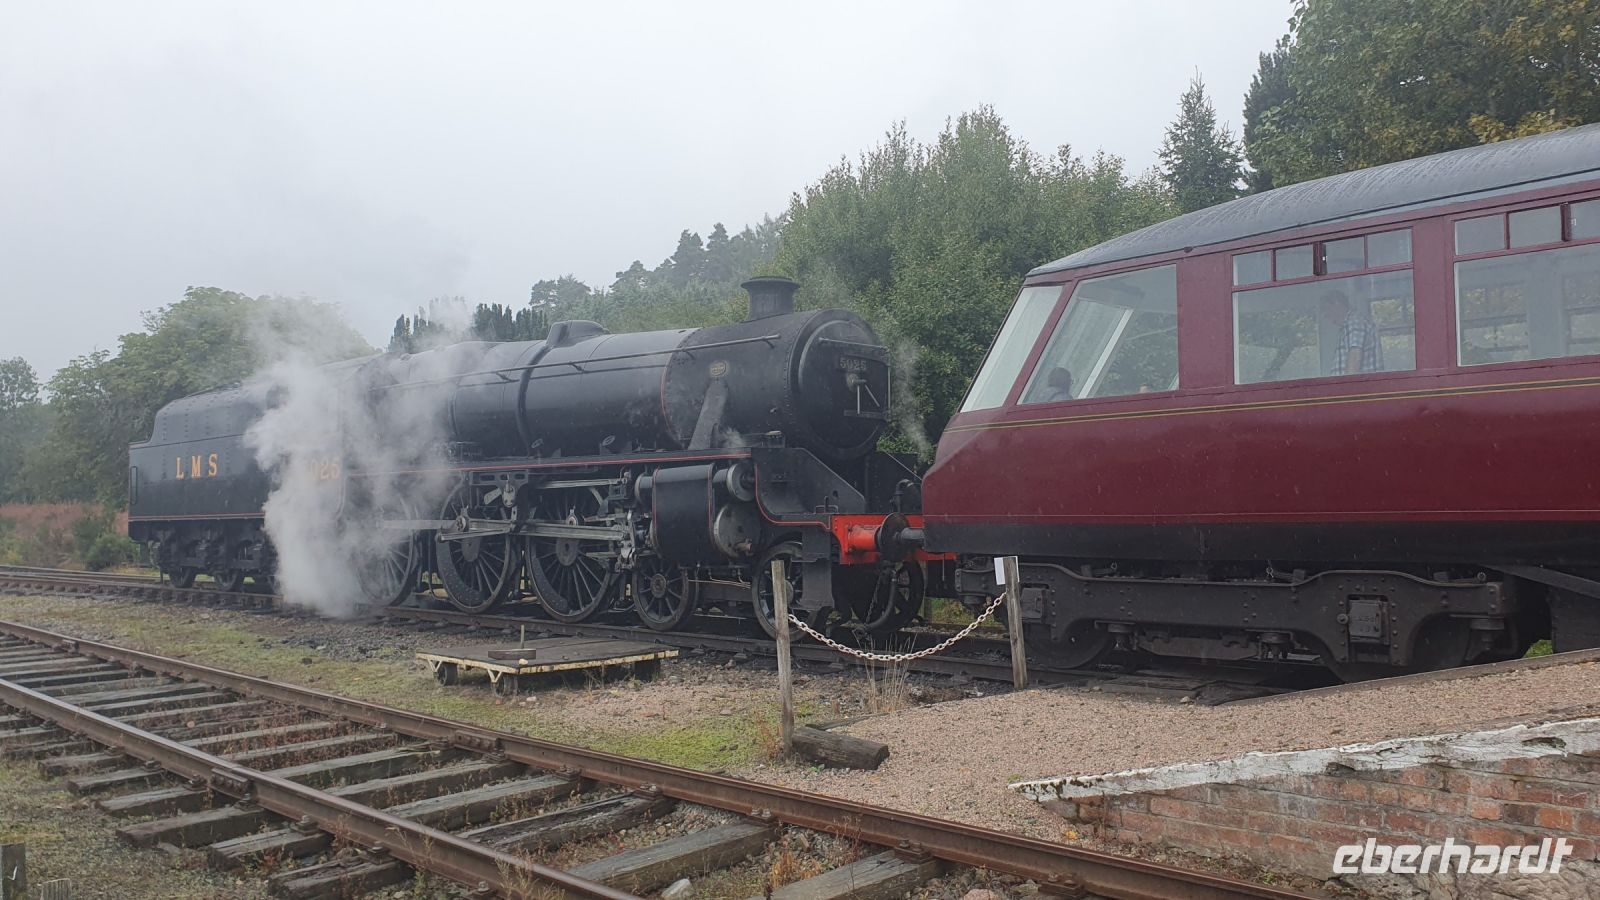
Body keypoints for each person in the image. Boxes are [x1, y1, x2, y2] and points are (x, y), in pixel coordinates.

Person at [1320, 290, 1382, 376]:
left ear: (1337, 304)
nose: (1325, 314)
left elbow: (1355, 358)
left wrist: (1347, 387)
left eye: (1326, 308)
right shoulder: (1349, 325)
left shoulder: (1354, 322)